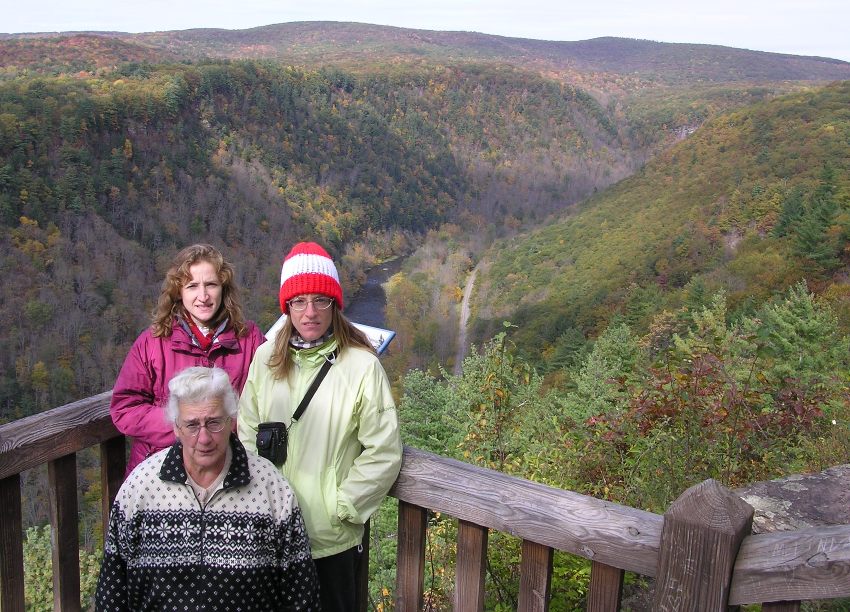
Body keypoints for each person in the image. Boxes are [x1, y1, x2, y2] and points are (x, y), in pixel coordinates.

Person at [238, 241, 402, 612]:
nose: (309, 312)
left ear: (335, 304)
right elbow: (247, 434)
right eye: (298, 301)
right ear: (287, 306)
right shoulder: (265, 359)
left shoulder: (361, 366)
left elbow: (384, 451)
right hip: (272, 533)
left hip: (331, 540)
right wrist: (257, 501)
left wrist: (342, 506)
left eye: (320, 300)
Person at [95, 366, 320, 611]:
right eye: (192, 425)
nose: (203, 438)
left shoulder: (270, 487)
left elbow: (302, 595)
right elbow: (112, 594)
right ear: (176, 428)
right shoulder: (141, 487)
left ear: (231, 421)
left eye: (213, 423)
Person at [111, 243, 265, 475]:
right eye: (192, 286)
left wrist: (220, 428)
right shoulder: (153, 342)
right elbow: (125, 409)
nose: (202, 296)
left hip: (228, 471)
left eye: (211, 284)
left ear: (223, 288)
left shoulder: (249, 340)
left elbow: (269, 400)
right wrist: (183, 425)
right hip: (160, 472)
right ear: (179, 292)